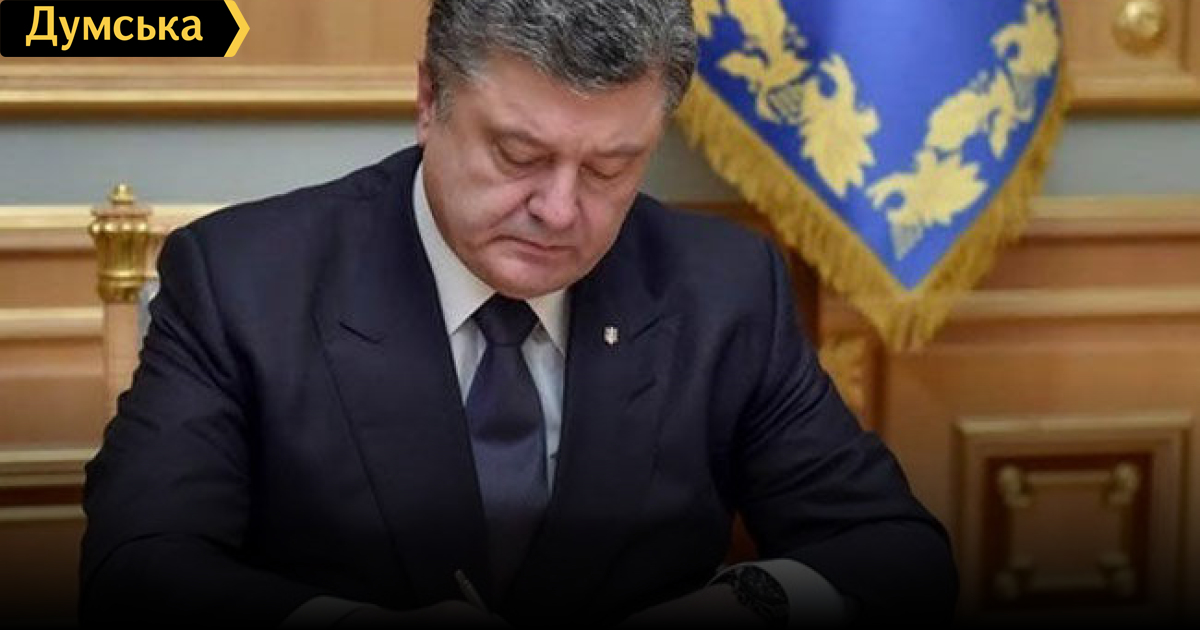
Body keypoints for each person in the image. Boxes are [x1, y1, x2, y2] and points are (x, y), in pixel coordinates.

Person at [79, 0, 957, 627]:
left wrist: (745, 601)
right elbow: (139, 568)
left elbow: (894, 551)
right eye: (518, 154)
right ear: (430, 100)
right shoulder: (245, 280)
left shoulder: (722, 288)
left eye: (611, 168)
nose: (560, 210)